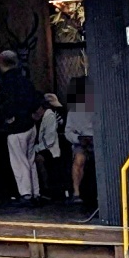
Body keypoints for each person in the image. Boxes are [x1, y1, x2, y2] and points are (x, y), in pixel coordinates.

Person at [0, 50, 43, 205]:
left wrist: (7, 118)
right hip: (30, 124)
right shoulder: (25, 80)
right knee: (30, 161)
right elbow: (36, 99)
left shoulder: (6, 82)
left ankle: (26, 194)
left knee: (19, 161)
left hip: (16, 127)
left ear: (1, 63)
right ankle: (36, 192)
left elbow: (5, 103)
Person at [65, 77, 95, 205]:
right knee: (79, 159)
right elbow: (68, 131)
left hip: (97, 141)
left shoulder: (98, 109)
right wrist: (78, 139)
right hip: (81, 142)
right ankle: (76, 193)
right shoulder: (73, 111)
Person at [32, 94, 64, 200]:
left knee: (38, 160)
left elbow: (49, 140)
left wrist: (35, 149)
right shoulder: (39, 118)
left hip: (49, 149)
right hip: (41, 147)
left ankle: (46, 189)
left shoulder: (50, 116)